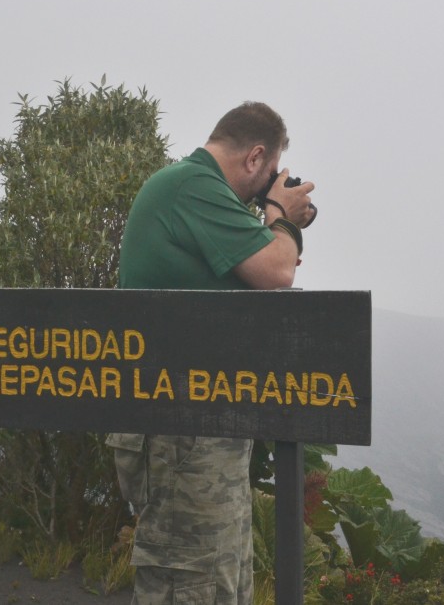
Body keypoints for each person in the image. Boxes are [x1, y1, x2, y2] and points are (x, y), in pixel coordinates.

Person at [107, 101, 315, 605]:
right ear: (255, 157)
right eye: (266, 176)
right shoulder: (193, 187)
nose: (263, 190)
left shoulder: (194, 192)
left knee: (219, 578)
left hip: (197, 431)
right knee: (191, 582)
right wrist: (282, 217)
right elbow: (277, 271)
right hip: (179, 435)